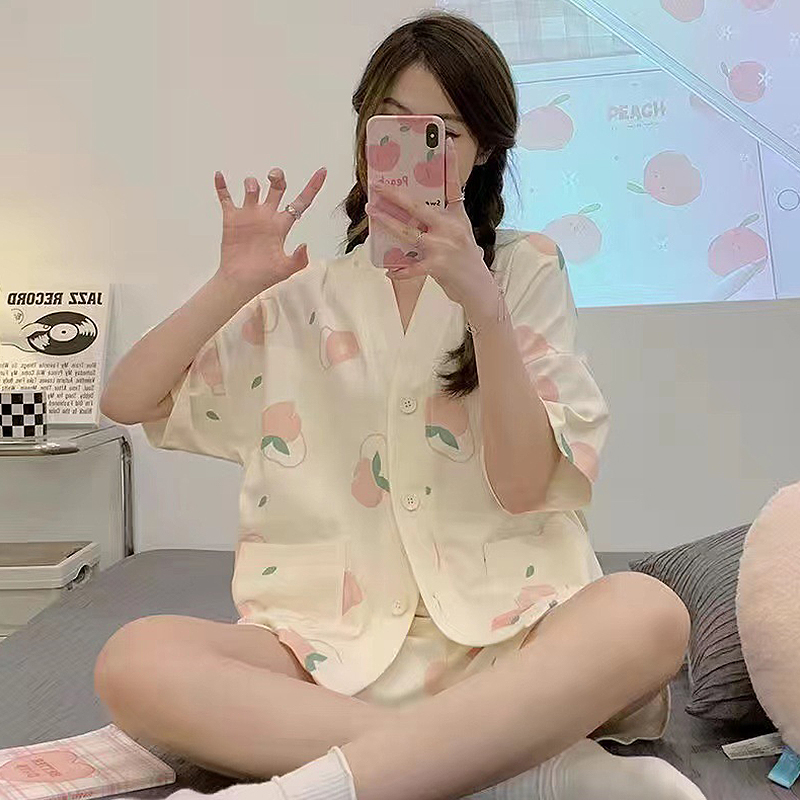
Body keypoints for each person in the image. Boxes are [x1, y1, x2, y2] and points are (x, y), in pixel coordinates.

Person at [95, 11, 704, 800]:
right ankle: (526, 773)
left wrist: (482, 305)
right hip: (328, 650)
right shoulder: (305, 295)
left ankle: (311, 785)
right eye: (393, 122)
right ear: (364, 135)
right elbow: (129, 398)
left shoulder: (523, 270)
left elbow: (525, 486)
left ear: (485, 148)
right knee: (135, 661)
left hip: (513, 645)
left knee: (648, 612)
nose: (417, 146)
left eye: (444, 132)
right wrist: (231, 284)